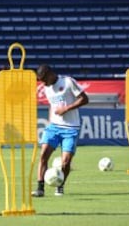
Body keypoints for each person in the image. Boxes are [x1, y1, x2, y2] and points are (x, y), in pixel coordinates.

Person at [32, 64, 89, 197]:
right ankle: (40, 188)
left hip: (71, 128)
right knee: (43, 155)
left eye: (44, 79)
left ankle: (60, 185)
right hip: (54, 127)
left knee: (66, 161)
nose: (43, 83)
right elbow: (53, 106)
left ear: (50, 74)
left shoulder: (68, 82)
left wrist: (66, 109)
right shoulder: (46, 88)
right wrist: (50, 121)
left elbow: (85, 99)